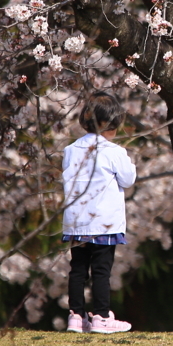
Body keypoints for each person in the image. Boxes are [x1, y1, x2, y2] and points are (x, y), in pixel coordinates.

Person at [62, 91, 136, 333]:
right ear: (112, 124)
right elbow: (128, 180)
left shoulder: (71, 150)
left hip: (76, 222)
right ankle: (102, 317)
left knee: (78, 270)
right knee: (101, 271)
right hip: (104, 223)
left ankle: (76, 316)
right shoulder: (114, 152)